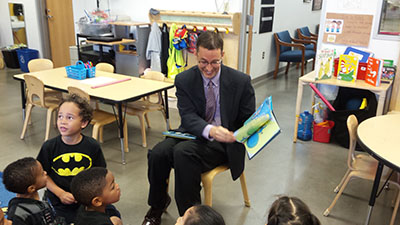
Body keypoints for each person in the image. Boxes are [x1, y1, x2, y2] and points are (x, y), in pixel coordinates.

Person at [142, 31, 256, 225]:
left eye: (215, 62)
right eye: (203, 62)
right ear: (196, 55)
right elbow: (187, 116)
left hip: (224, 142)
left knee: (183, 154)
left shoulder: (241, 81)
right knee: (158, 153)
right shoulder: (184, 79)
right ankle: (157, 204)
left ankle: (191, 218)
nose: (209, 68)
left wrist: (254, 127)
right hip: (193, 132)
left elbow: (249, 119)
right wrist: (209, 129)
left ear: (222, 56)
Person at [36, 94, 121, 224]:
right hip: (59, 200)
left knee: (114, 216)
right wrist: (60, 193)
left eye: (69, 117)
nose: (63, 121)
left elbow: (99, 176)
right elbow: (42, 175)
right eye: (60, 116)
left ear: (84, 123)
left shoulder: (92, 145)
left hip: (88, 199)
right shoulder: (49, 146)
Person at [3, 157, 63, 225]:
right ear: (31, 188)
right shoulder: (18, 214)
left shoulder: (43, 196)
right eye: (42, 174)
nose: (45, 172)